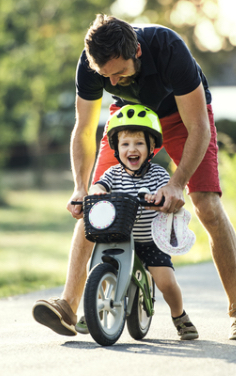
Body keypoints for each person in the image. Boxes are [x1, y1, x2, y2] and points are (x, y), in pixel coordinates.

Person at [32, 14, 236, 340]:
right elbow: (82, 130)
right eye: (107, 77)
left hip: (183, 117)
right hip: (131, 119)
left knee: (207, 206)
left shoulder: (169, 49)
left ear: (136, 51)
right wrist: (81, 189)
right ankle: (68, 305)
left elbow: (199, 128)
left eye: (120, 72)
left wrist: (176, 183)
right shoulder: (92, 64)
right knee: (95, 203)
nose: (116, 82)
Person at [76, 104, 198, 340]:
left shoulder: (159, 175)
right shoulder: (112, 175)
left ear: (151, 147)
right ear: (116, 148)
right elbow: (99, 185)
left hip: (149, 241)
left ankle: (179, 316)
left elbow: (167, 191)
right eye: (125, 144)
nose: (132, 149)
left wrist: (160, 197)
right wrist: (97, 191)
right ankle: (92, 308)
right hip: (118, 237)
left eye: (139, 143)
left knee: (166, 282)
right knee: (96, 267)